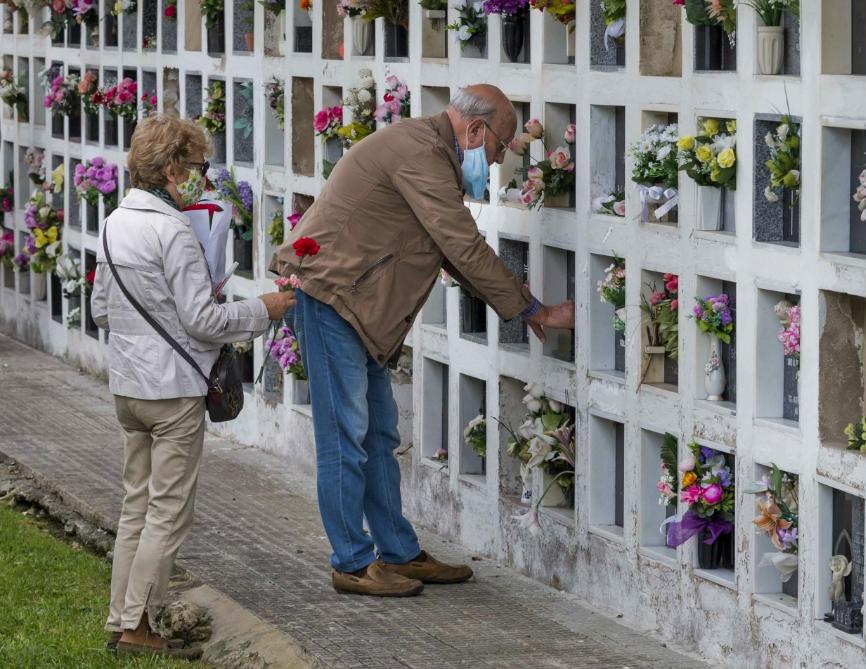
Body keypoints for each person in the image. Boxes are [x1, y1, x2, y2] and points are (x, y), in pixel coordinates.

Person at [270, 84, 575, 597]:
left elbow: (445, 248)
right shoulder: (419, 153)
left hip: (359, 310)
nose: (497, 162)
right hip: (333, 303)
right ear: (475, 130)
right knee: (345, 440)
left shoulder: (426, 150)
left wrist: (515, 300)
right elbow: (460, 240)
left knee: (379, 438)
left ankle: (399, 553)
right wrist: (533, 309)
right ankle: (351, 562)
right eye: (499, 148)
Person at [90, 114, 296, 657]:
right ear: (175, 168)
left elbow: (99, 309)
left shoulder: (114, 222)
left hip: (127, 387)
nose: (203, 177)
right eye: (199, 166)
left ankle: (122, 618)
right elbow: (203, 321)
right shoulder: (173, 231)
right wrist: (262, 309)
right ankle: (139, 628)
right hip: (173, 391)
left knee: (136, 504)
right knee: (168, 511)